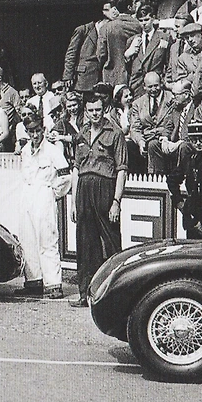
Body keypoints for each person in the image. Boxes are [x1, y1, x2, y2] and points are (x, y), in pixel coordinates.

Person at [70, 95, 127, 307]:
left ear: (104, 110)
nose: (95, 114)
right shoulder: (82, 134)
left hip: (105, 188)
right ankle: (86, 294)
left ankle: (117, 295)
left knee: (111, 243)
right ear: (86, 110)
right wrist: (74, 202)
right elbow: (76, 169)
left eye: (98, 110)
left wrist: (116, 201)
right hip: (84, 190)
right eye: (91, 110)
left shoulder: (115, 133)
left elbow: (122, 170)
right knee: (85, 243)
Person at [14, 113, 70, 300]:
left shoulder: (53, 151)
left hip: (44, 196)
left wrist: (53, 194)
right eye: (31, 131)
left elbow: (65, 177)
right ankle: (34, 281)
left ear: (43, 129)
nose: (35, 135)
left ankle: (54, 284)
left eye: (38, 130)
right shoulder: (25, 151)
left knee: (47, 240)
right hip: (27, 196)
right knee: (27, 240)